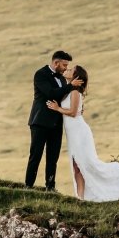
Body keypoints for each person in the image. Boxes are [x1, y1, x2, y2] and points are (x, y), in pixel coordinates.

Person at [46, 65, 119, 202]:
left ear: (76, 77)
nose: (67, 69)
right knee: (77, 166)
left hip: (79, 132)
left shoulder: (75, 91)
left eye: (71, 70)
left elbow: (73, 112)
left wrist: (57, 108)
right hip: (72, 134)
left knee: (89, 164)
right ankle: (80, 198)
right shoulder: (69, 90)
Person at [25, 50, 84, 191]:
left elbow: (64, 97)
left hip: (57, 123)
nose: (65, 68)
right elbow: (50, 93)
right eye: (64, 65)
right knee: (36, 155)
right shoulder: (41, 74)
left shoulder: (63, 79)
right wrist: (70, 85)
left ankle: (50, 187)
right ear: (56, 63)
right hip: (40, 122)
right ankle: (28, 186)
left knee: (53, 157)